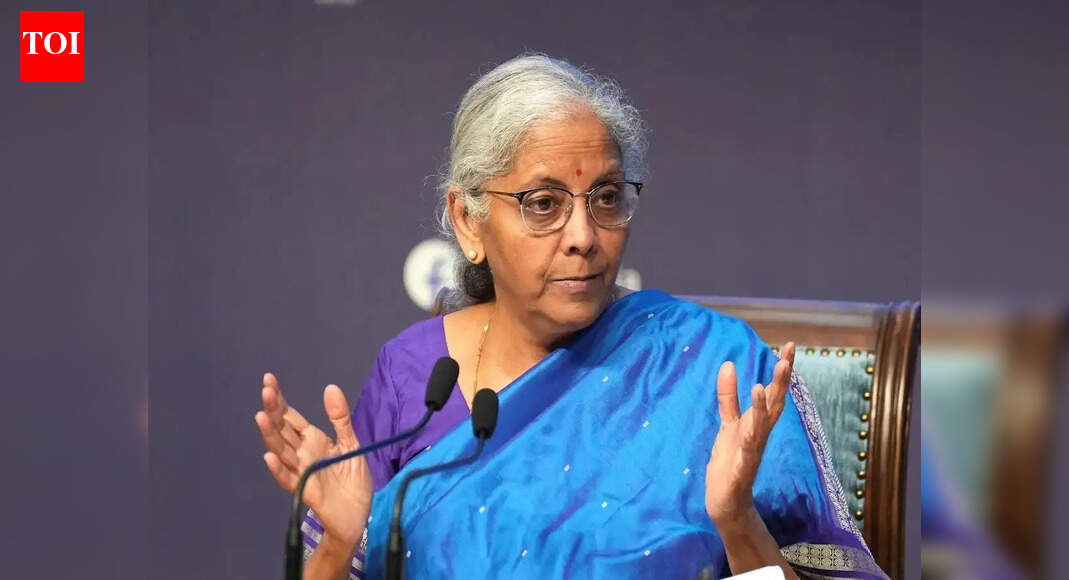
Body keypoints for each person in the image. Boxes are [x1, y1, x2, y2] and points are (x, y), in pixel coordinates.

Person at [255, 53, 886, 579]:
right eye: (543, 203)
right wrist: (340, 544)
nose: (584, 235)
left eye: (605, 197)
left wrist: (738, 521)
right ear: (469, 221)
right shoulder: (413, 378)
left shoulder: (712, 368)